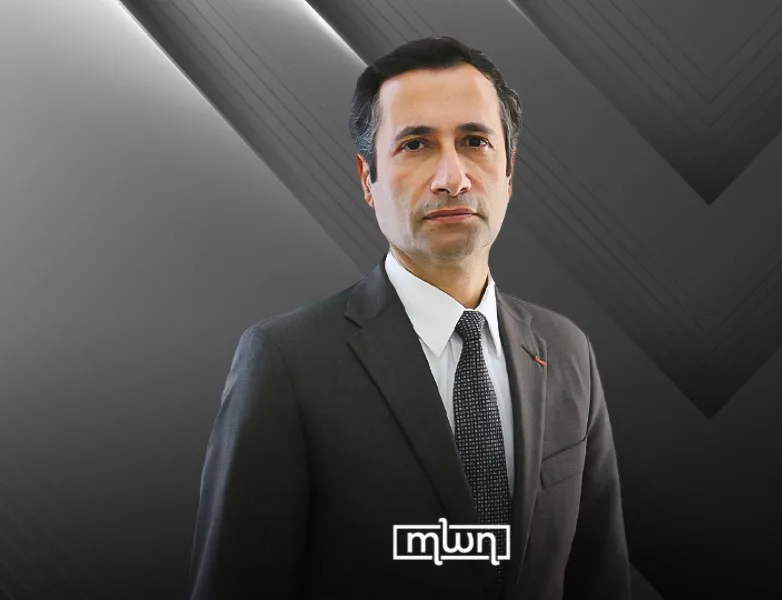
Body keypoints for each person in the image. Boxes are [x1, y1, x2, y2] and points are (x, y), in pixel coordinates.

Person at [188, 36, 630, 600]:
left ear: (509, 170)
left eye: (475, 141)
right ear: (367, 178)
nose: (452, 178)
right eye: (416, 144)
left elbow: (600, 578)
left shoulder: (566, 352)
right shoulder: (287, 363)